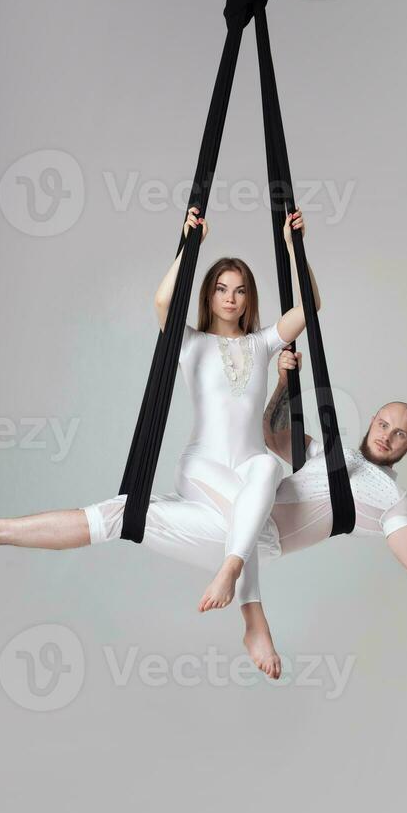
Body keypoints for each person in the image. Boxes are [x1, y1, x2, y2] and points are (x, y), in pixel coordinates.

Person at [0, 353, 407, 680]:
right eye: (383, 422)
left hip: (254, 543)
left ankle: (252, 616)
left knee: (260, 476)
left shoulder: (386, 498)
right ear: (372, 421)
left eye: (401, 433)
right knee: (124, 511)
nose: (388, 435)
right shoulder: (329, 451)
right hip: (226, 524)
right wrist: (283, 381)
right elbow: (270, 433)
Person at [155, 203, 319, 621]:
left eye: (240, 290)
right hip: (201, 467)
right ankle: (254, 617)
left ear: (249, 299)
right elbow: (161, 301)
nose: (231, 298)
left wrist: (293, 248)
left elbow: (311, 306)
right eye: (222, 289)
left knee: (267, 469)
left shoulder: (262, 343)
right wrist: (190, 246)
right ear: (208, 294)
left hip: (248, 465)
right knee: (250, 516)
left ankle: (230, 571)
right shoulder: (189, 342)